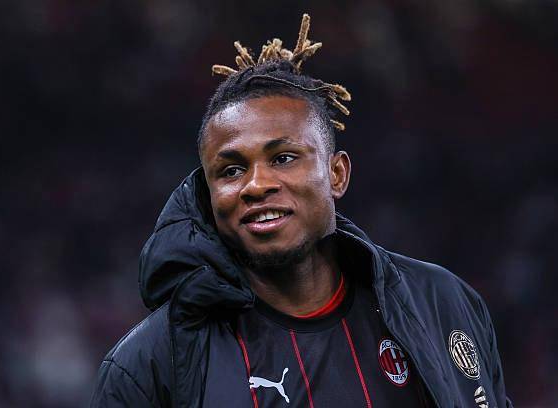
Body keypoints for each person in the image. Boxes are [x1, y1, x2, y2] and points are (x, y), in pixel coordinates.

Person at [90, 14, 511, 408]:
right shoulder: (148, 364)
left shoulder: (444, 303)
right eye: (232, 170)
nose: (257, 185)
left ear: (337, 174)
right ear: (209, 195)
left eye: (284, 158)